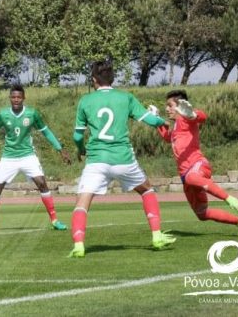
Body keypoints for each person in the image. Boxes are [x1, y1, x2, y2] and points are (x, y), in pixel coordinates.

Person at [69, 60, 176, 258]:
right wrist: (162, 120)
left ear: (94, 80)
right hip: (123, 159)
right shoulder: (125, 97)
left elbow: (77, 136)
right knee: (146, 190)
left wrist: (81, 149)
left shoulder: (85, 101)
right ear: (112, 79)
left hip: (97, 160)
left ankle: (79, 245)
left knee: (82, 202)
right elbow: (151, 121)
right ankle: (156, 235)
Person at [153, 90, 238, 232]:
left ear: (180, 105)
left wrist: (192, 114)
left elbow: (202, 117)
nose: (167, 109)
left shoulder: (186, 118)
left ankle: (230, 199)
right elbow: (167, 137)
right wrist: (155, 119)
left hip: (198, 165)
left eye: (170, 105)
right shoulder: (176, 126)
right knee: (202, 213)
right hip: (185, 176)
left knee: (192, 177)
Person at [0, 84, 71, 232]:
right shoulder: (3, 114)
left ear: (23, 98)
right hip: (9, 157)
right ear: (10, 98)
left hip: (28, 155)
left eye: (19, 97)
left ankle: (55, 221)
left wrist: (60, 149)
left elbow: (46, 132)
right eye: (13, 97)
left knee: (42, 183)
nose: (16, 99)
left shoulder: (32, 113)